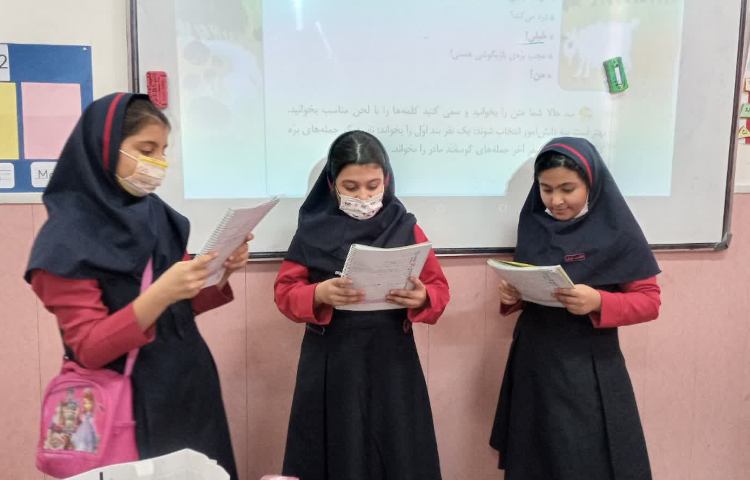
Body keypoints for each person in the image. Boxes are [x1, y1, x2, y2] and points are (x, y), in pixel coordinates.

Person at [25, 93, 248, 479]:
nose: (158, 163)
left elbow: (178, 309)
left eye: (163, 151)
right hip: (127, 404)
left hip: (189, 387)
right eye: (146, 150)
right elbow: (89, 347)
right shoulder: (64, 241)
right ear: (104, 148)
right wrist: (161, 292)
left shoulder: (156, 214)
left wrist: (219, 272)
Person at [274, 130, 450, 480]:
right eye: (351, 187)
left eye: (372, 186)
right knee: (338, 449)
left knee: (397, 450)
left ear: (387, 180)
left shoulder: (405, 226)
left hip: (393, 361)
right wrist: (319, 294)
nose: (364, 196)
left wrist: (422, 298)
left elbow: (439, 289)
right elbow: (284, 292)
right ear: (332, 184)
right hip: (332, 361)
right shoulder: (311, 230)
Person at [490, 137, 661, 480]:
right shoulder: (534, 224)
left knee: (584, 461)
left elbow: (649, 301)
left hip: (588, 366)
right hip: (534, 361)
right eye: (546, 189)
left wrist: (599, 301)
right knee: (534, 459)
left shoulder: (618, 231)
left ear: (591, 184)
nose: (555, 200)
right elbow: (534, 283)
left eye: (567, 189)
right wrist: (513, 295)